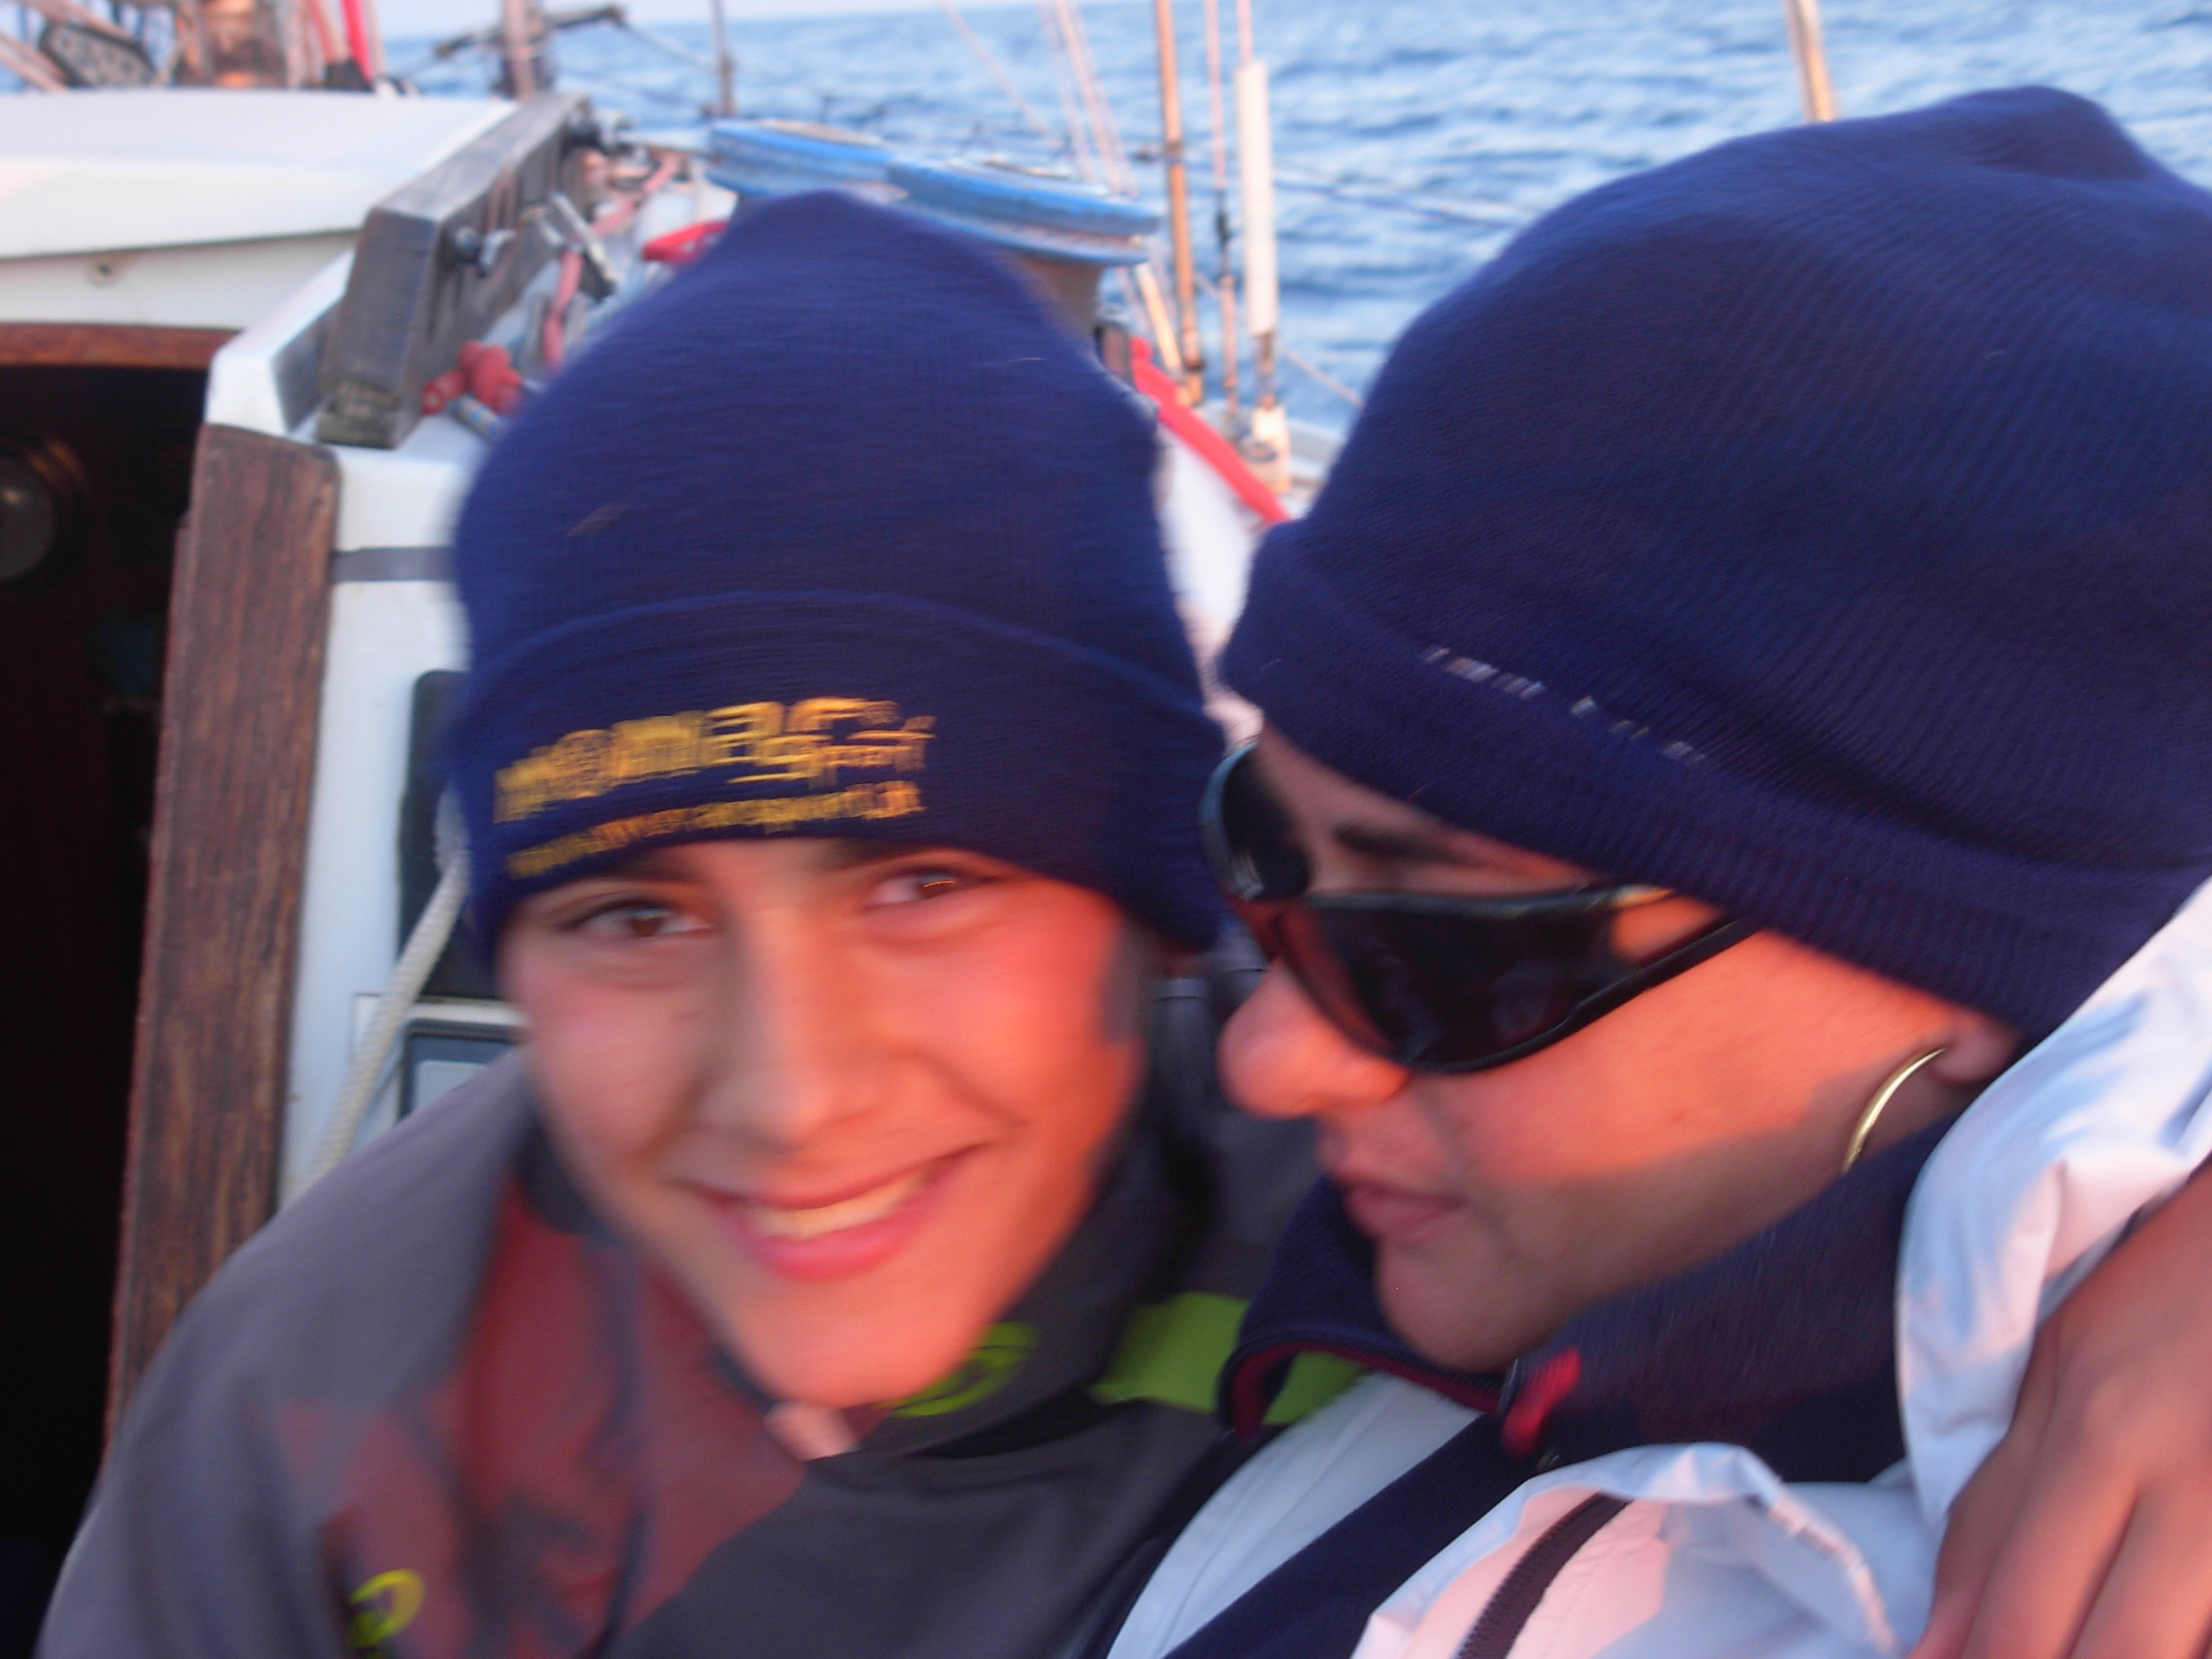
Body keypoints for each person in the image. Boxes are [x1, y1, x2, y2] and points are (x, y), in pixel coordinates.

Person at [36, 192, 1330, 1659]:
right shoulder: (308, 1406)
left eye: (924, 886)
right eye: (638, 915)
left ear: (1162, 914)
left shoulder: (1423, 1258)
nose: (789, 1098)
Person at [1102, 86, 2212, 1659]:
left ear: (1971, 970)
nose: (1272, 1060)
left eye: (1449, 952)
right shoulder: (1518, 1265)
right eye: (1260, 850)